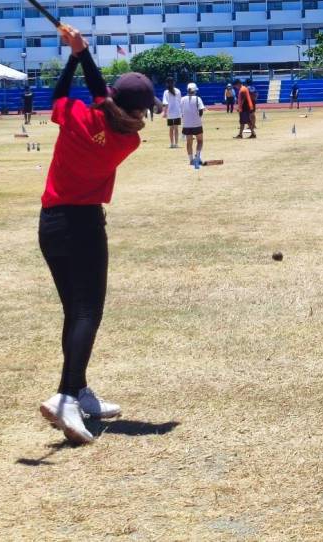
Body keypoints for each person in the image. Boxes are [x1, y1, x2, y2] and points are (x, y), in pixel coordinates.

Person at [37, 25, 153, 445]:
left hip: (50, 223)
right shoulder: (129, 140)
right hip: (84, 225)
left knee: (75, 312)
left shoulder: (76, 116)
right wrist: (81, 54)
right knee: (88, 312)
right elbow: (102, 94)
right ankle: (66, 397)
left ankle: (78, 387)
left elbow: (62, 96)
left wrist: (76, 56)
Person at [180, 82, 205, 166]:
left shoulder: (182, 99)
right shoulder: (198, 98)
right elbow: (201, 110)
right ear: (195, 90)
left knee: (189, 142)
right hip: (197, 123)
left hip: (186, 124)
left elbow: (181, 111)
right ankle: (197, 157)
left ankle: (191, 160)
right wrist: (198, 117)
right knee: (200, 141)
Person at [161, 77, 182, 149]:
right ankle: (176, 144)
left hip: (170, 112)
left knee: (171, 128)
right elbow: (180, 102)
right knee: (176, 128)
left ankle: (171, 143)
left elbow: (165, 103)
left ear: (166, 83)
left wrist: (165, 113)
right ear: (174, 82)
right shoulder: (178, 91)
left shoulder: (166, 92)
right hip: (177, 112)